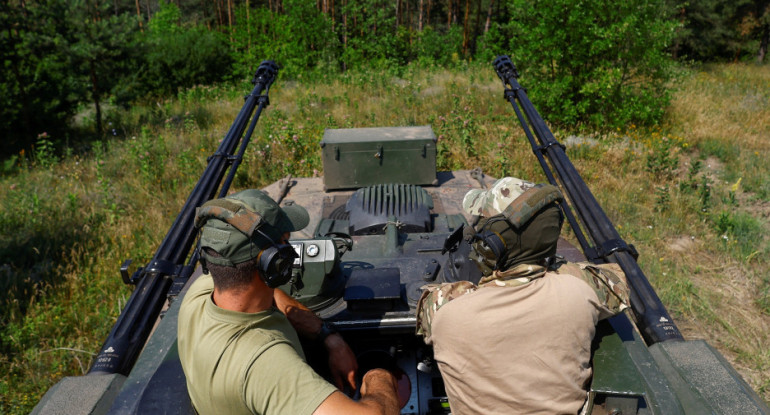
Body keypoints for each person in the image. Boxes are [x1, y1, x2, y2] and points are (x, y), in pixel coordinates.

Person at [416, 177, 631, 414]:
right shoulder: (582, 291)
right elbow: (615, 280)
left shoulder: (445, 311)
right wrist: (557, 269)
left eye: (481, 228)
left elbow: (432, 301)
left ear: (491, 244)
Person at [177, 189, 400, 415]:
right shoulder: (265, 364)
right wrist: (379, 376)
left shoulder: (199, 294)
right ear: (275, 262)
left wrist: (328, 336)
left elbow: (274, 295)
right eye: (286, 242)